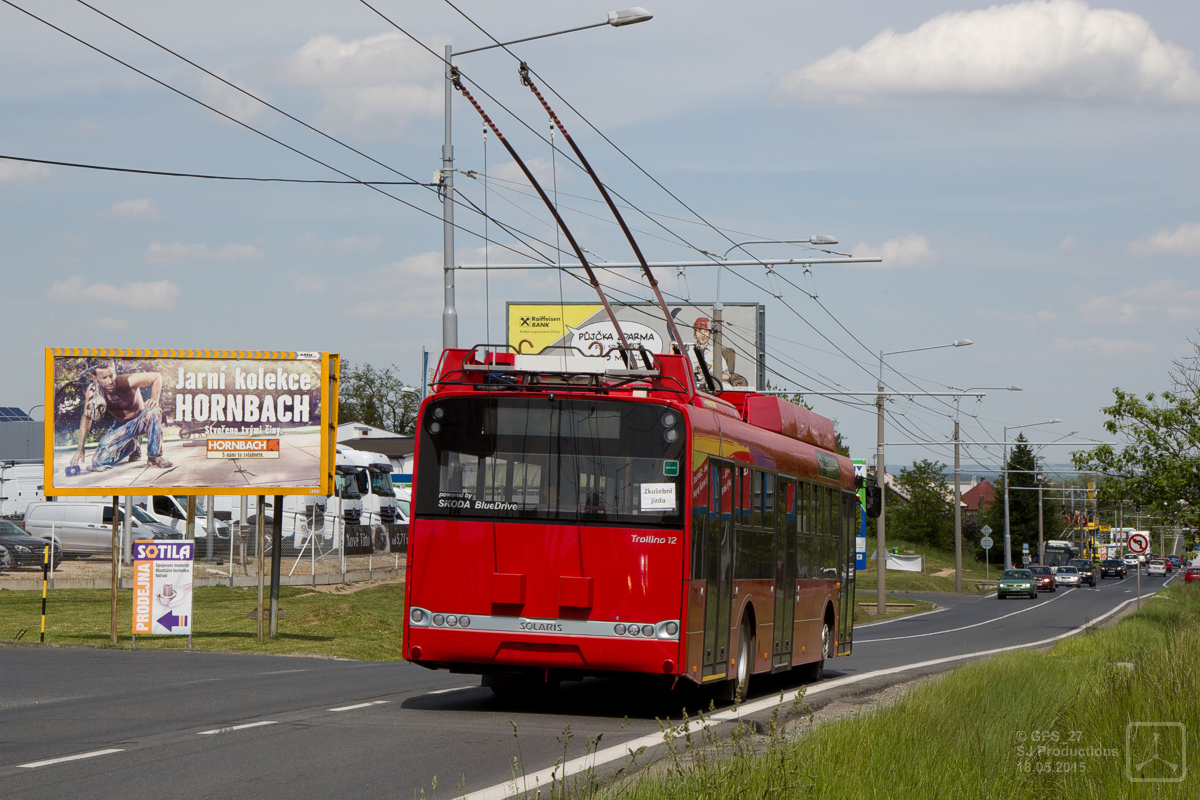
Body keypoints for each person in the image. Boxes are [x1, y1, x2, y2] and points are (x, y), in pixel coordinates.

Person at [70, 360, 173, 471]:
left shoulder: (127, 380)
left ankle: (155, 456)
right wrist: (80, 448)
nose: (110, 382)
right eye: (104, 378)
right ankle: (133, 445)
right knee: (98, 462)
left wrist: (154, 399)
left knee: (154, 410)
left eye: (112, 376)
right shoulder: (93, 392)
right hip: (122, 427)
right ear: (95, 378)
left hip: (141, 420)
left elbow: (156, 377)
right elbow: (87, 417)